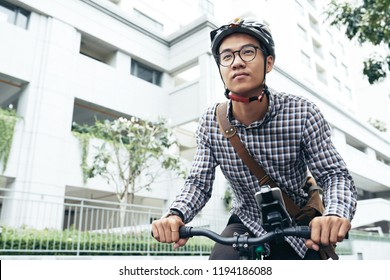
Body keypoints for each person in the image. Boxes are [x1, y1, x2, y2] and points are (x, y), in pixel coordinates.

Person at [152, 17, 357, 260]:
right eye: (227, 57)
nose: (237, 62)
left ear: (268, 62)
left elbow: (334, 174)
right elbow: (198, 182)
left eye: (248, 52)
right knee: (219, 262)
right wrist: (176, 214)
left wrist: (333, 215)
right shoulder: (210, 122)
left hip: (300, 225)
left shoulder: (302, 113)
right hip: (247, 220)